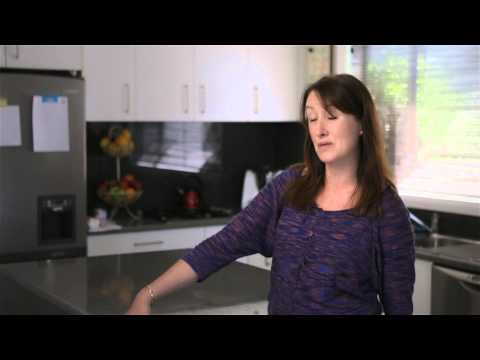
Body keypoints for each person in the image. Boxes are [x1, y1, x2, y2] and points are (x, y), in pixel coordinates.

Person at [126, 74, 415, 315]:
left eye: (332, 116)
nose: (320, 130)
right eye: (312, 119)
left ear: (362, 124)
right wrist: (147, 294)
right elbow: (221, 245)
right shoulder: (288, 187)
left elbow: (399, 307)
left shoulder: (385, 210)